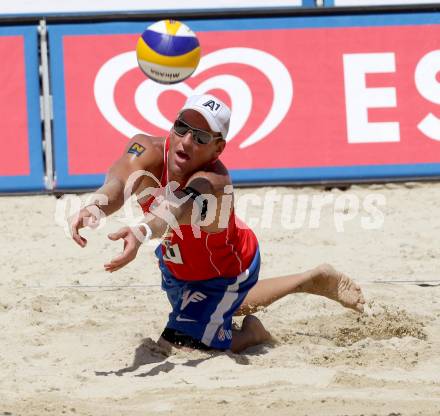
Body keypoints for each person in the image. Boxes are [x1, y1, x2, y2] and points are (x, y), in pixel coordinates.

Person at [70, 94, 365, 353]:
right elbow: (120, 182)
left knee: (184, 344)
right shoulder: (146, 148)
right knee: (214, 311)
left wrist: (142, 231)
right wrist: (93, 206)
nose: (186, 140)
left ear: (218, 148)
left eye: (200, 137)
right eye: (182, 127)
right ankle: (309, 280)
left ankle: (252, 334)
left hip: (226, 269)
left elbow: (175, 207)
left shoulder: (214, 181)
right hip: (178, 265)